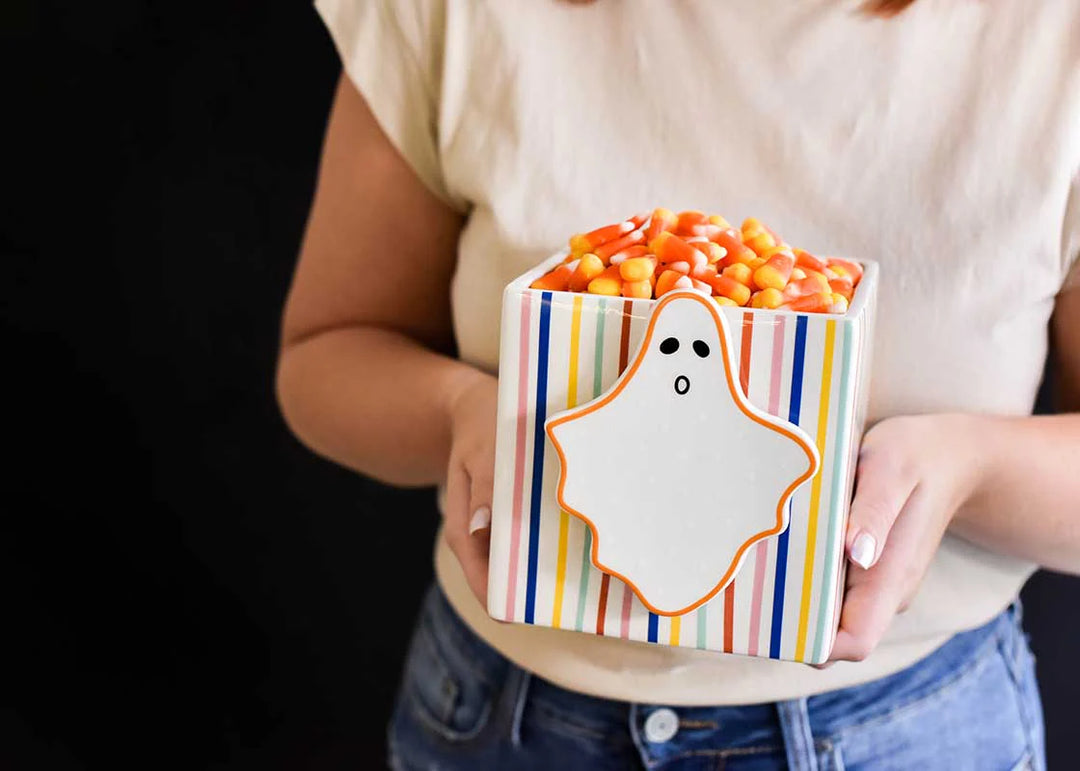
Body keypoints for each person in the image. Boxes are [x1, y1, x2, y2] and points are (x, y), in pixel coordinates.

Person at [275, 0, 1080, 767]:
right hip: (505, 717)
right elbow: (327, 352)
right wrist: (466, 416)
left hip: (906, 729)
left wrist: (967, 468)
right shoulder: (459, 13)